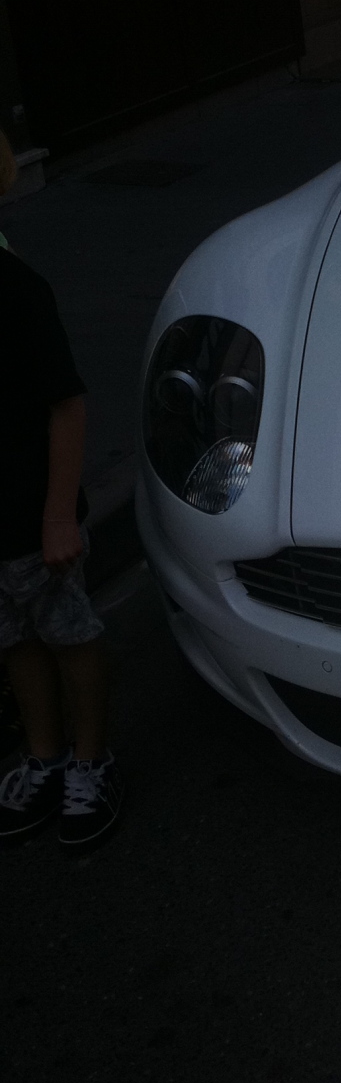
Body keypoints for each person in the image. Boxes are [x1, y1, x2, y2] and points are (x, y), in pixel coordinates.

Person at [0, 149, 121, 847]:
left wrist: (55, 514)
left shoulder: (16, 290)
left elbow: (66, 406)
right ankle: (43, 755)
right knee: (15, 642)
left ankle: (89, 758)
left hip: (34, 517)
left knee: (70, 637)